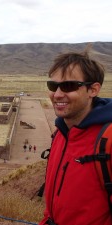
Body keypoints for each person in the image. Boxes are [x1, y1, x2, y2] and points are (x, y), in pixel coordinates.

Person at [39, 49, 112, 225]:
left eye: (69, 86)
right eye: (52, 86)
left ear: (93, 90)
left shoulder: (108, 140)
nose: (57, 94)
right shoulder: (61, 133)